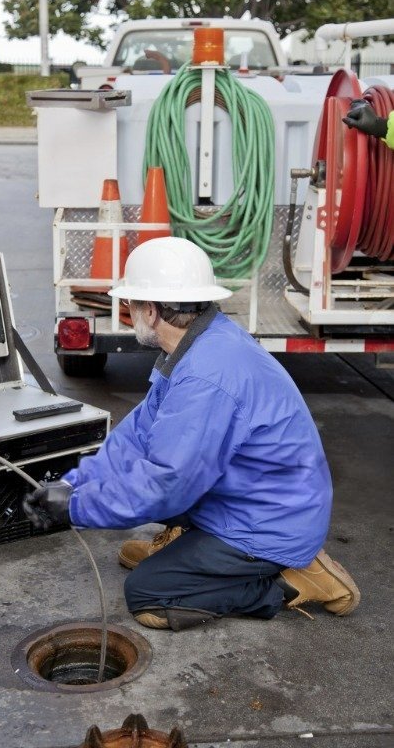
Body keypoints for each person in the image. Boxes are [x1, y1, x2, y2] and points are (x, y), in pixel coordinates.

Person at [24, 237, 360, 631]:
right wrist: (73, 483)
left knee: (148, 594)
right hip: (253, 496)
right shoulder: (196, 344)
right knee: (147, 474)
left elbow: (166, 484)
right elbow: (136, 437)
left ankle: (290, 582)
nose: (129, 314)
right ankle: (193, 550)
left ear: (151, 310)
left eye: (131, 305)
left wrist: (76, 509)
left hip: (269, 524)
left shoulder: (206, 377)